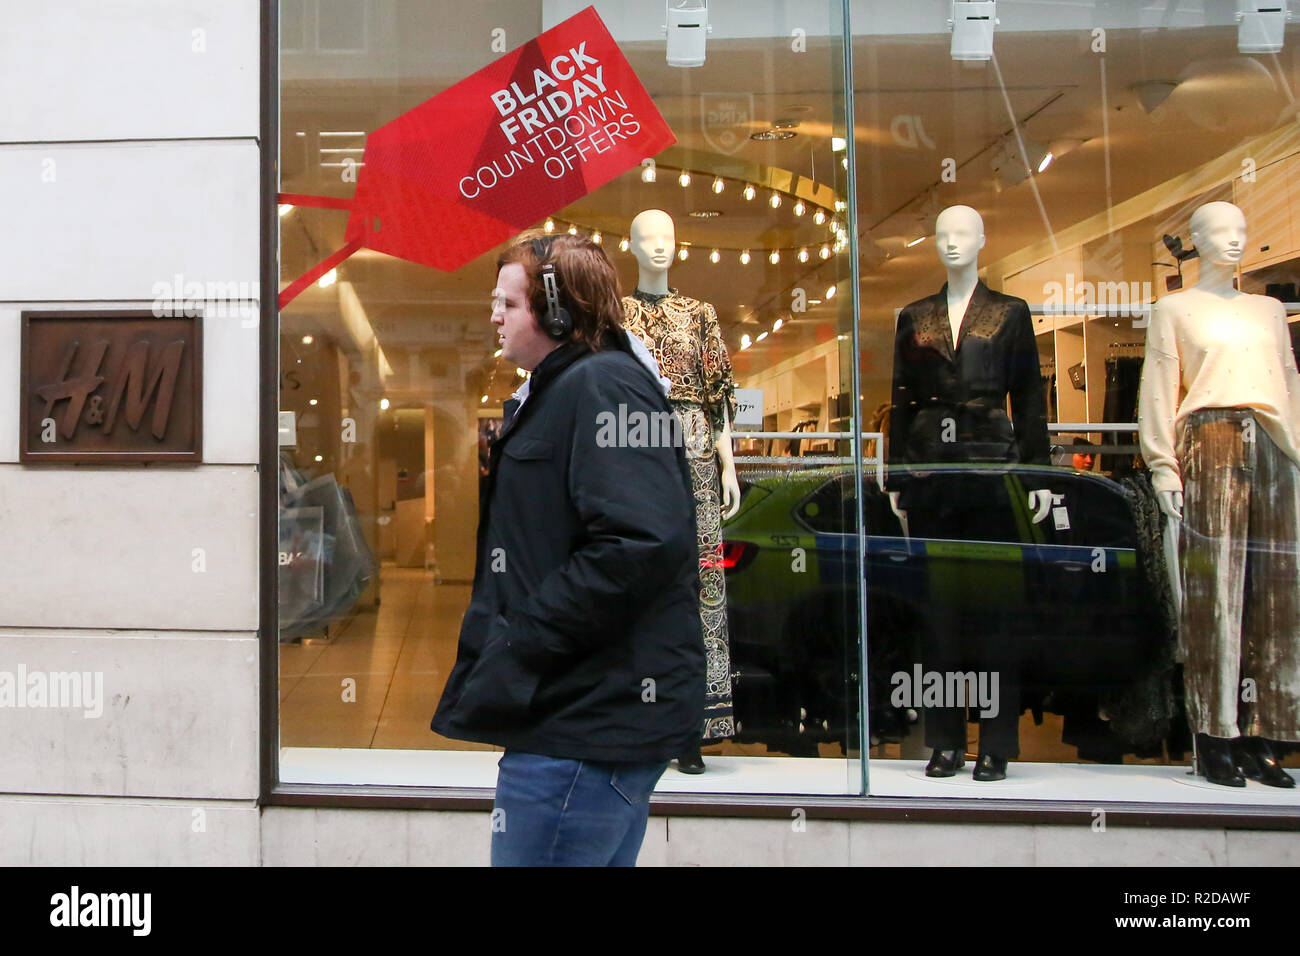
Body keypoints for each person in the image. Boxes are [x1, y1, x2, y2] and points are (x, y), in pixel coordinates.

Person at [431, 233, 705, 865]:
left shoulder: (602, 386)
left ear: (556, 311)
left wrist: (525, 633)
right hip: (574, 716)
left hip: (583, 727)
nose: (493, 315)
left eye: (507, 302)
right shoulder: (567, 388)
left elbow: (641, 541)